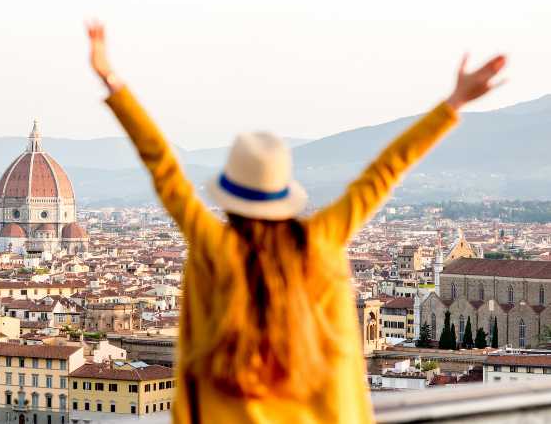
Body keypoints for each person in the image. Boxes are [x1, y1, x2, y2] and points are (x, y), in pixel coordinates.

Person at [86, 21, 506, 424]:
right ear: (283, 195)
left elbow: (164, 169)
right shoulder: (319, 241)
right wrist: (453, 104)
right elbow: (383, 173)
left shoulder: (215, 245)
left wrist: (113, 82)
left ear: (230, 197)